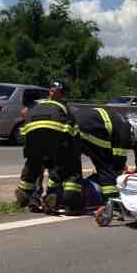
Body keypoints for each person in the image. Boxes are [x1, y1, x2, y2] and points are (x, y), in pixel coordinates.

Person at [16, 81, 83, 215]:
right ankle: (51, 196)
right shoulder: (66, 108)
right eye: (52, 90)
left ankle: (26, 194)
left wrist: (27, 145)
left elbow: (25, 121)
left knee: (33, 164)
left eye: (54, 90)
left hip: (32, 135)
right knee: (59, 166)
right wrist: (73, 150)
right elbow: (73, 131)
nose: (52, 92)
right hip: (53, 138)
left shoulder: (39, 104)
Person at [73, 107, 137, 200]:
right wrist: (123, 172)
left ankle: (69, 198)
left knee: (69, 168)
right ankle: (111, 200)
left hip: (70, 125)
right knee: (106, 169)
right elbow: (116, 163)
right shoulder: (124, 131)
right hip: (90, 127)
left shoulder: (120, 122)